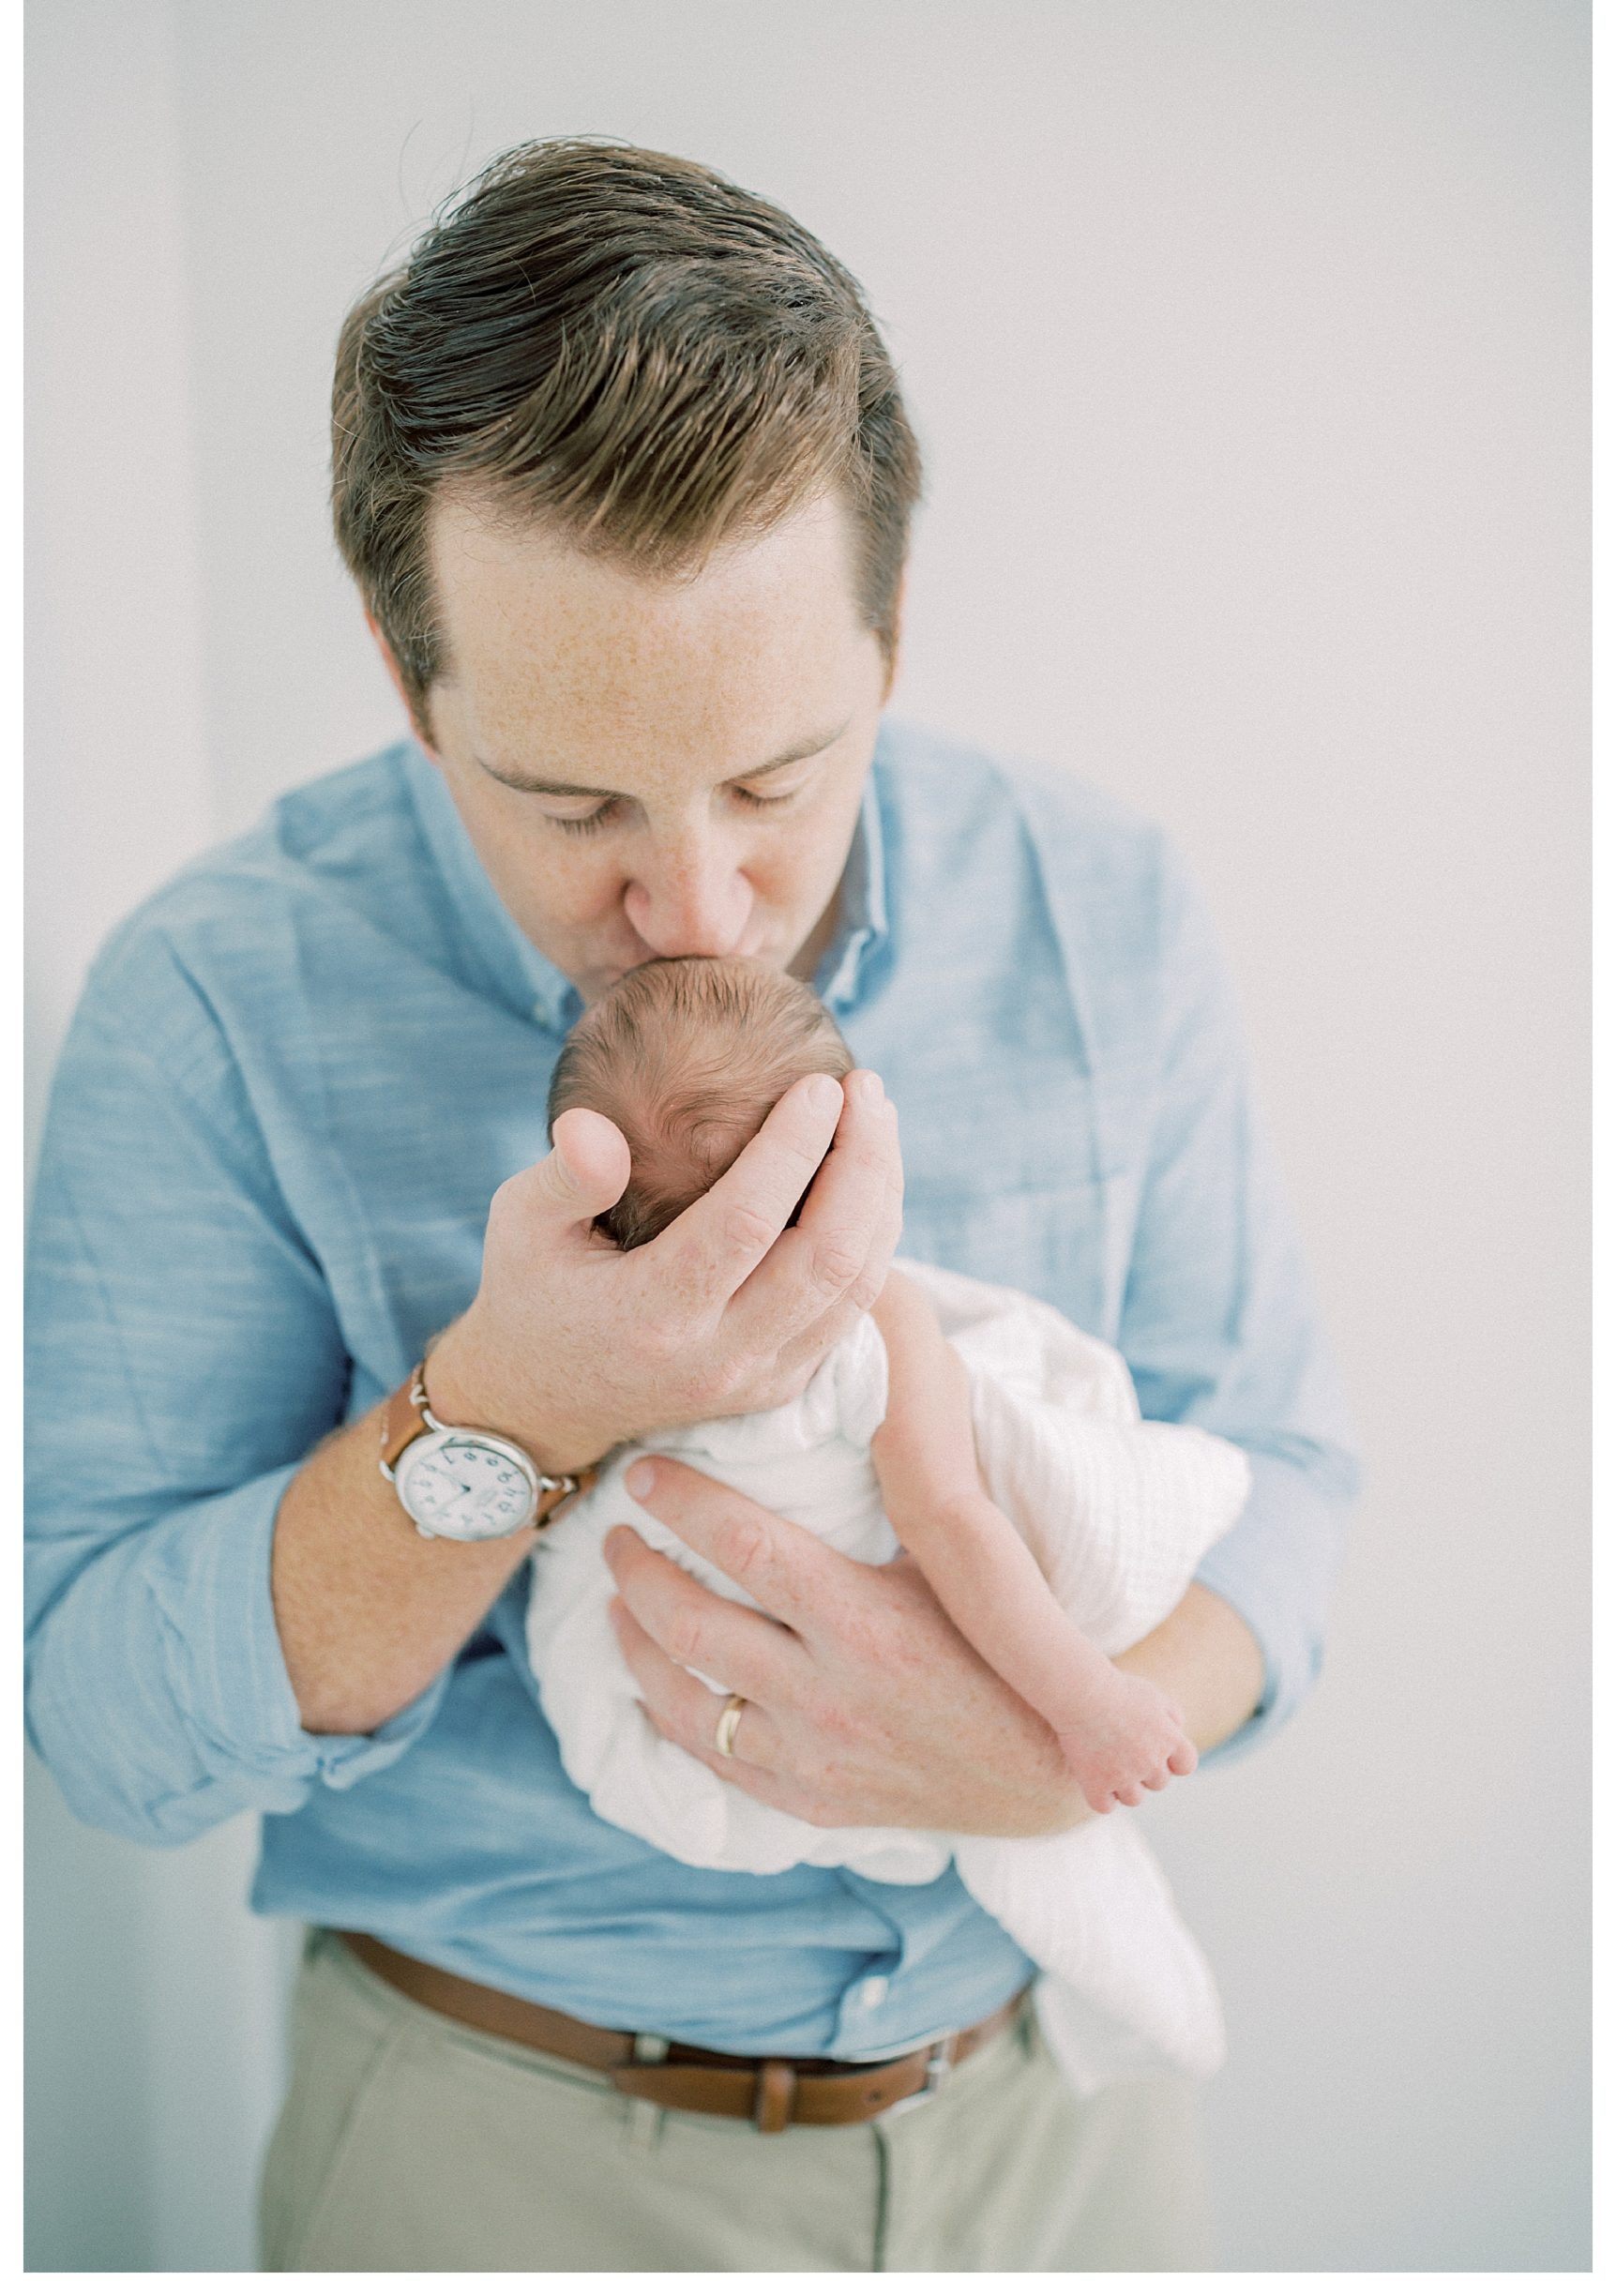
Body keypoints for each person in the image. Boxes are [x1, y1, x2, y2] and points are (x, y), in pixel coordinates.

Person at [24, 138, 1359, 2273]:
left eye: (774, 780)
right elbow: (103, 1713)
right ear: (402, 666)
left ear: (891, 628)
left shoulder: (1102, 911)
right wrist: (513, 1416)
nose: (699, 905)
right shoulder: (213, 999)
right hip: (501, 2153)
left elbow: (1279, 1471)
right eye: (571, 803)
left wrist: (1058, 1750)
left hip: (1062, 2137)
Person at [526, 952, 1251, 2092]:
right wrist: (1086, 1701)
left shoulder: (603, 1346)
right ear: (845, 1172)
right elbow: (956, 1524)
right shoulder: (876, 1329)